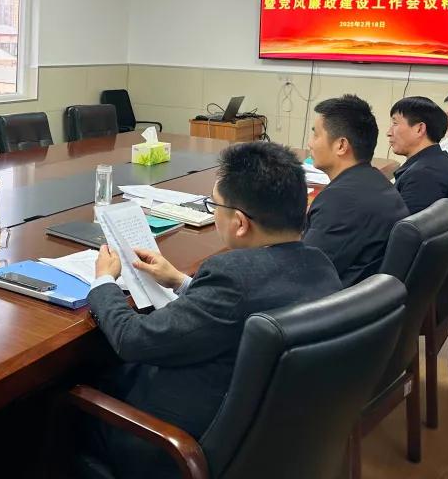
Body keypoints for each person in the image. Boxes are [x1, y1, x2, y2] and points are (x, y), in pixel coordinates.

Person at [86, 142, 341, 478]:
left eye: (214, 205)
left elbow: (133, 339)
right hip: (271, 441)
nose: (214, 212)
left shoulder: (233, 277)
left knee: (61, 396)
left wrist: (104, 281)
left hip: (177, 444)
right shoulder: (321, 265)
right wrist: (181, 281)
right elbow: (241, 308)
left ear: (240, 223)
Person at [303, 94, 408, 287]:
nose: (310, 143)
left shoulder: (340, 201)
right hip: (368, 295)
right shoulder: (376, 181)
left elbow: (303, 273)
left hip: (334, 300)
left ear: (341, 145)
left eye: (316, 135)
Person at [388, 96, 448, 215]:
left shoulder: (423, 176)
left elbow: (403, 225)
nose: (389, 132)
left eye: (395, 123)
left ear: (419, 129)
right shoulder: (437, 161)